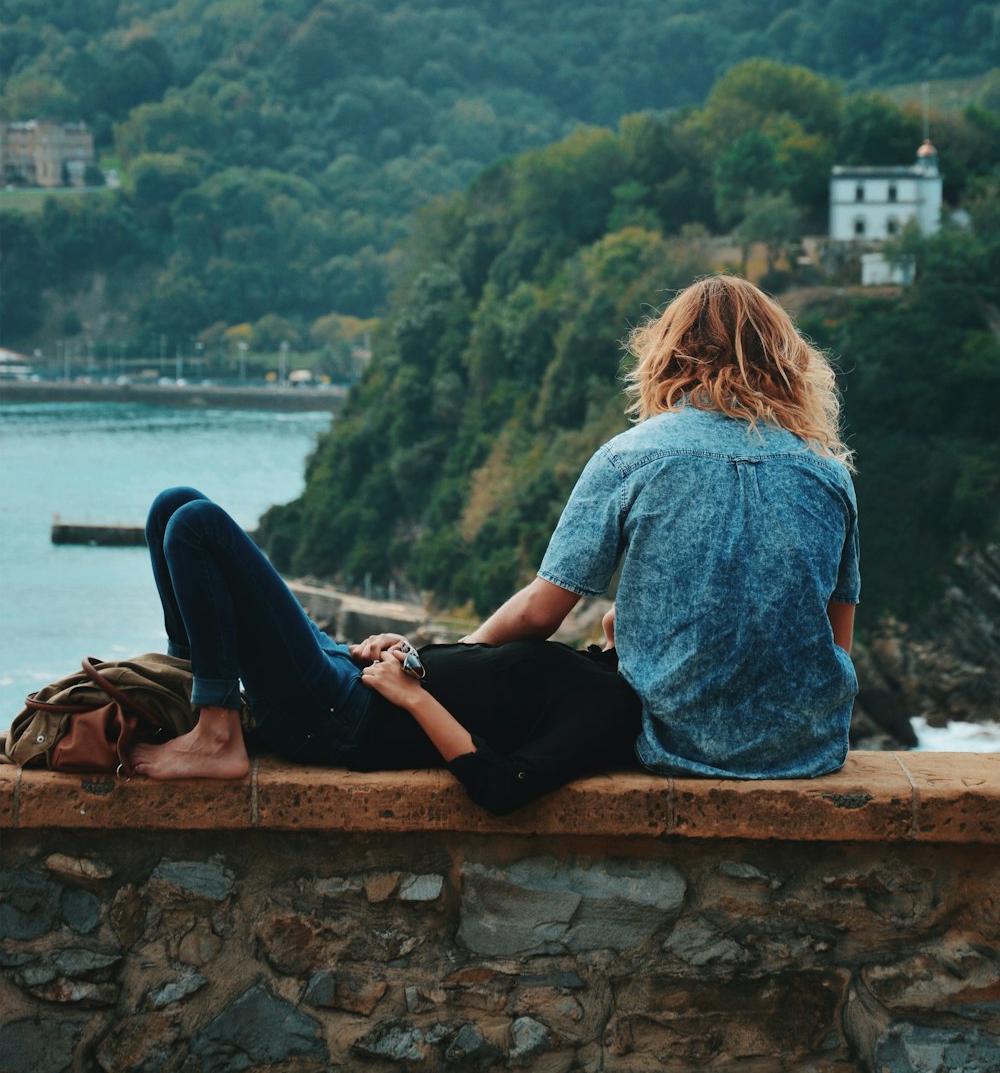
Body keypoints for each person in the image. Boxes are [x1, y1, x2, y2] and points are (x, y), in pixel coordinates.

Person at [461, 274, 860, 780]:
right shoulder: (828, 473)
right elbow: (836, 640)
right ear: (783, 360)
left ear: (670, 355)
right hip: (808, 750)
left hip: (668, 744)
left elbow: (540, 614)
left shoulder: (631, 457)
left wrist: (457, 656)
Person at [131, 486, 639, 813]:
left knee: (197, 525)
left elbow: (505, 786)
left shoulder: (610, 705)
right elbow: (479, 687)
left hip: (344, 718)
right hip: (352, 677)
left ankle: (217, 734)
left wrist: (413, 697)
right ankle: (189, 704)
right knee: (171, 508)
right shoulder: (596, 668)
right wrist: (405, 655)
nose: (630, 601)